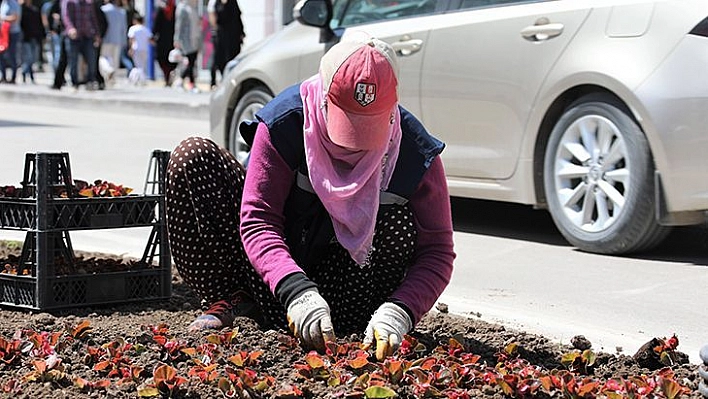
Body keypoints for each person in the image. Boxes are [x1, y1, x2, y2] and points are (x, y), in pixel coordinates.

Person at [165, 35, 455, 360]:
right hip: (275, 279)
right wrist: (296, 290)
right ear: (324, 99)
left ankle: (367, 326)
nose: (355, 146)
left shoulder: (416, 152)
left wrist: (400, 311)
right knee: (192, 158)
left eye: (368, 129)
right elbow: (258, 220)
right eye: (348, 127)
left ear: (391, 110)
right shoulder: (284, 124)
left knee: (400, 219)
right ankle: (238, 299)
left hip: (358, 296)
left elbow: (438, 252)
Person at [61, 0, 101, 91]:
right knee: (73, 61)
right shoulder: (68, 2)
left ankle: (91, 81)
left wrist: (97, 34)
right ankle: (74, 83)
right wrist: (70, 28)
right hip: (74, 37)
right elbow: (66, 16)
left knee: (91, 59)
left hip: (87, 35)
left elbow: (93, 18)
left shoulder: (89, 3)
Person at [206, 0, 243, 89]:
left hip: (233, 36)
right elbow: (212, 20)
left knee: (233, 59)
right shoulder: (215, 2)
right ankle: (214, 81)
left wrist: (241, 32)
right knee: (218, 59)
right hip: (220, 35)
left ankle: (231, 81)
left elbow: (238, 17)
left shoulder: (232, 2)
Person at [172, 0, 199, 92]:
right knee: (188, 61)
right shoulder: (183, 8)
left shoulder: (193, 8)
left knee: (191, 62)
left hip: (194, 39)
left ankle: (190, 82)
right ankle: (181, 81)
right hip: (186, 40)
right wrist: (177, 39)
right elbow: (179, 25)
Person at [99, 0, 126, 83]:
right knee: (115, 61)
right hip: (118, 39)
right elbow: (124, 28)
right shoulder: (122, 12)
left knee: (102, 58)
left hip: (106, 38)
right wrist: (124, 41)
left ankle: (108, 70)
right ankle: (112, 79)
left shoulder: (103, 9)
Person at [150, 0, 175, 86]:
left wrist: (153, 36)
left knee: (162, 59)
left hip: (162, 40)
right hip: (172, 39)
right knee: (171, 59)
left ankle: (167, 76)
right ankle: (169, 75)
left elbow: (156, 25)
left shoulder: (161, 10)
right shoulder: (175, 10)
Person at [19, 0, 43, 83]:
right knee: (28, 58)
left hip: (35, 37)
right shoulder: (21, 9)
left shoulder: (35, 9)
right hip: (25, 38)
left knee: (33, 59)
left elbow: (39, 24)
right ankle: (26, 74)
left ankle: (26, 74)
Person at [0, 0, 22, 84]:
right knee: (1, 54)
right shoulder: (4, 3)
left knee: (11, 55)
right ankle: (3, 76)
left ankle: (13, 77)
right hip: (3, 32)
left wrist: (2, 18)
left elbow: (15, 17)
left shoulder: (14, 3)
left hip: (12, 33)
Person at [126, 13, 149, 84]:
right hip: (145, 49)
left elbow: (131, 39)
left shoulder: (133, 28)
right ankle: (140, 79)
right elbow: (150, 38)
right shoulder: (145, 28)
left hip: (136, 49)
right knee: (142, 66)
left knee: (137, 65)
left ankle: (136, 79)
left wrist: (130, 48)